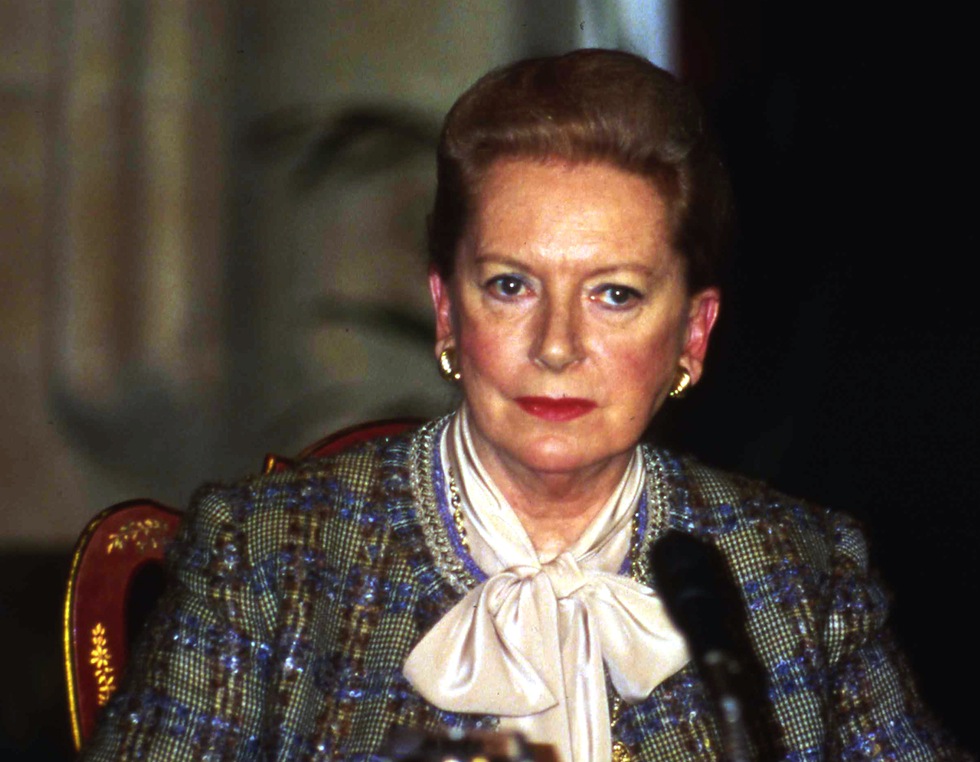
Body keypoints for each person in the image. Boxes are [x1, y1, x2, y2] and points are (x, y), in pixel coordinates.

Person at [81, 49, 958, 762]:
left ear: (692, 335)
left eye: (614, 294)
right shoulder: (269, 559)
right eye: (511, 285)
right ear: (447, 313)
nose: (556, 346)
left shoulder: (797, 574)